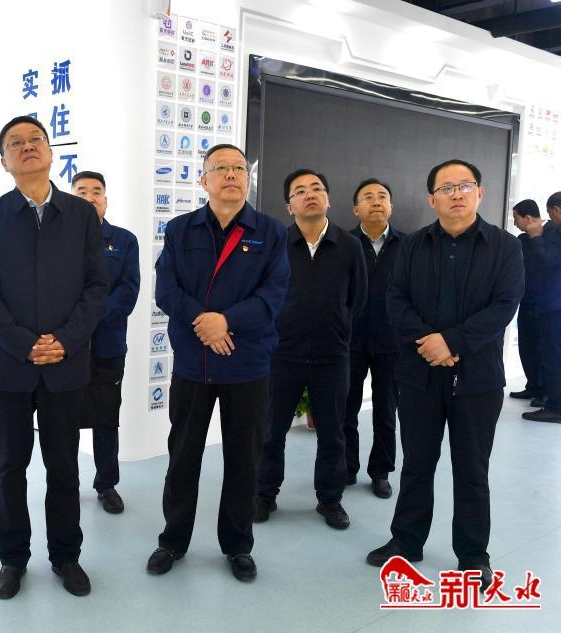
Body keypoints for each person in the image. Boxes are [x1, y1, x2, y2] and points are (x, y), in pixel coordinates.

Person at [367, 159, 524, 593]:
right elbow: (396, 300)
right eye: (447, 188)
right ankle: (406, 540)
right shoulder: (413, 246)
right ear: (431, 198)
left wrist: (451, 342)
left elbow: (504, 305)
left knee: (472, 468)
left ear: (480, 193)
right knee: (417, 463)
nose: (457, 194)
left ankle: (473, 555)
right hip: (419, 375)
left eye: (465, 186)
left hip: (478, 380)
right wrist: (431, 344)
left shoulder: (505, 247)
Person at [0, 115, 108, 600]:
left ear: (51, 153)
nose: (27, 147)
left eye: (36, 140)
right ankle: (12, 558)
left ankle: (66, 555)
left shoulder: (81, 215)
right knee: (9, 467)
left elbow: (97, 286)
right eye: (16, 143)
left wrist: (65, 341)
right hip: (8, 366)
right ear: (4, 160)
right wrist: (23, 343)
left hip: (65, 365)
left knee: (64, 467)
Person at [148, 143, 290, 581]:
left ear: (247, 178)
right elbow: (166, 290)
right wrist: (203, 322)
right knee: (183, 456)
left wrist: (225, 321)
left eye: (239, 168)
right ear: (203, 180)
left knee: (244, 460)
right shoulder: (180, 229)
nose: (231, 174)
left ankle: (238, 545)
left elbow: (273, 294)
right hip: (194, 363)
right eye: (221, 168)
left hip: (247, 364)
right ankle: (173, 540)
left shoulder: (270, 231)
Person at [255, 169, 367, 530]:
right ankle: (264, 492)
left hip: (332, 356)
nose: (310, 194)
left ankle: (330, 499)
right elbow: (262, 295)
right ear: (289, 206)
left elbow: (358, 299)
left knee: (333, 433)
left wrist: (339, 328)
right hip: (281, 353)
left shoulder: (349, 246)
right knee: (271, 430)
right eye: (300, 191)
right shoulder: (276, 244)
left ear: (328, 199)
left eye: (317, 188)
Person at [71, 170, 140, 514]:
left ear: (106, 200)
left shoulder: (124, 241)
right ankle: (65, 484)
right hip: (66, 348)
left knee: (105, 417)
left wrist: (87, 319)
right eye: (81, 192)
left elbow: (128, 291)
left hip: (107, 345)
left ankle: (106, 484)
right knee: (64, 419)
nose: (90, 197)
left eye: (96, 191)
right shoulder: (55, 239)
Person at [343, 179, 405, 499]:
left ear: (391, 206)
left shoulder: (408, 245)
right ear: (356, 209)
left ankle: (381, 471)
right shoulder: (342, 243)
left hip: (391, 343)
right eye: (368, 197)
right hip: (350, 341)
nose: (376, 201)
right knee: (345, 409)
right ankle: (345, 466)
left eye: (382, 196)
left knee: (386, 411)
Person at [521, 192, 561, 423]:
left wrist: (536, 236)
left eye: (550, 213)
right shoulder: (555, 230)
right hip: (552, 303)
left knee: (553, 355)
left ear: (556, 210)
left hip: (555, 305)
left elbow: (548, 259)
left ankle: (556, 407)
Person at [510, 199, 546, 407]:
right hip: (526, 301)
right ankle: (532, 385)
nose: (515, 223)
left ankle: (544, 391)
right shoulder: (521, 240)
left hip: (544, 304)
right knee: (526, 346)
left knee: (542, 348)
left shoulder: (549, 236)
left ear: (528, 218)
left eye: (516, 218)